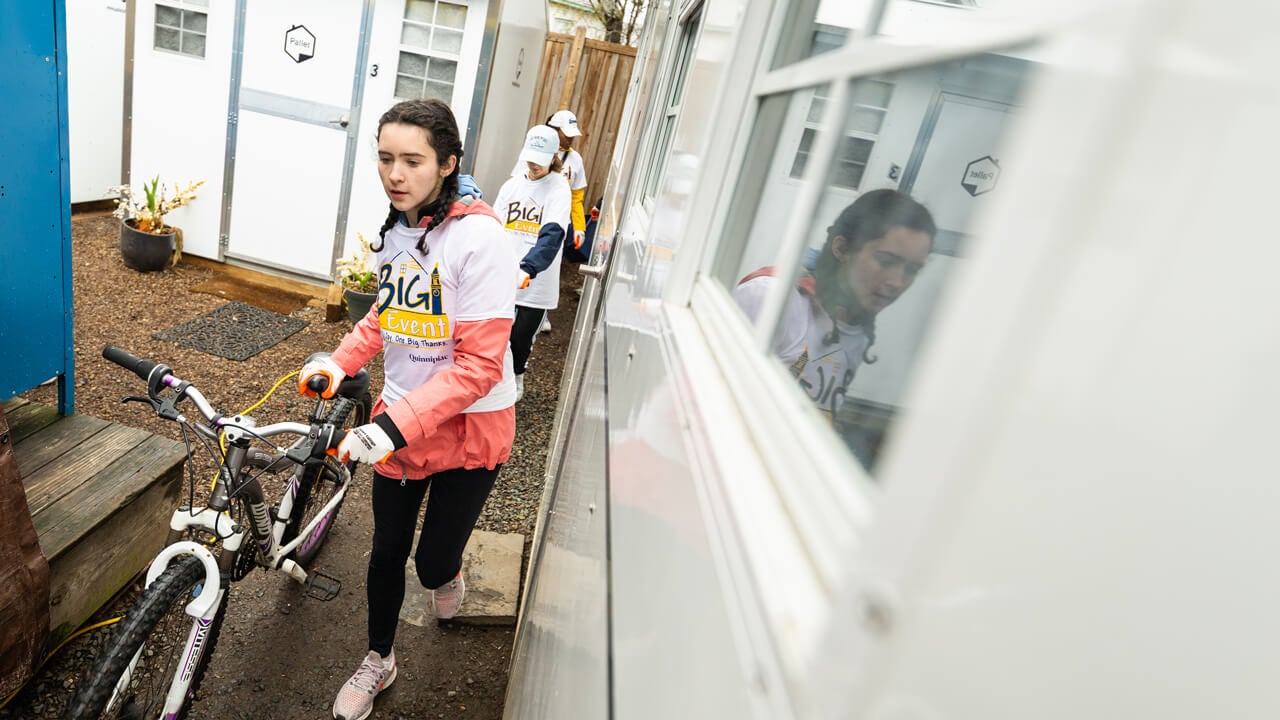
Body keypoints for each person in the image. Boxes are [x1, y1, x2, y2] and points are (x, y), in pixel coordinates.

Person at [296, 98, 517, 720]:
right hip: (400, 424)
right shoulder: (396, 228)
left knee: (430, 562)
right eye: (386, 158)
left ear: (447, 164)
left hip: (470, 429)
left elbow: (477, 368)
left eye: (412, 161)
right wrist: (341, 362)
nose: (395, 174)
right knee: (387, 549)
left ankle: (449, 578)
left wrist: (389, 427)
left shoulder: (481, 242)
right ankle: (378, 659)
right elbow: (384, 311)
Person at [733, 189, 935, 428]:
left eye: (912, 270)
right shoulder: (772, 298)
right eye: (886, 261)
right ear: (842, 249)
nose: (897, 282)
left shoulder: (857, 327)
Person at [494, 125, 572, 402]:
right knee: (495, 333)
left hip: (535, 281)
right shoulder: (512, 185)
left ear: (553, 157)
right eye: (530, 157)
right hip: (504, 274)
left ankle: (516, 376)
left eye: (541, 159)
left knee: (520, 338)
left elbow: (552, 234)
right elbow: (493, 227)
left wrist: (528, 268)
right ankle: (494, 382)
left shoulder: (559, 188)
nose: (534, 164)